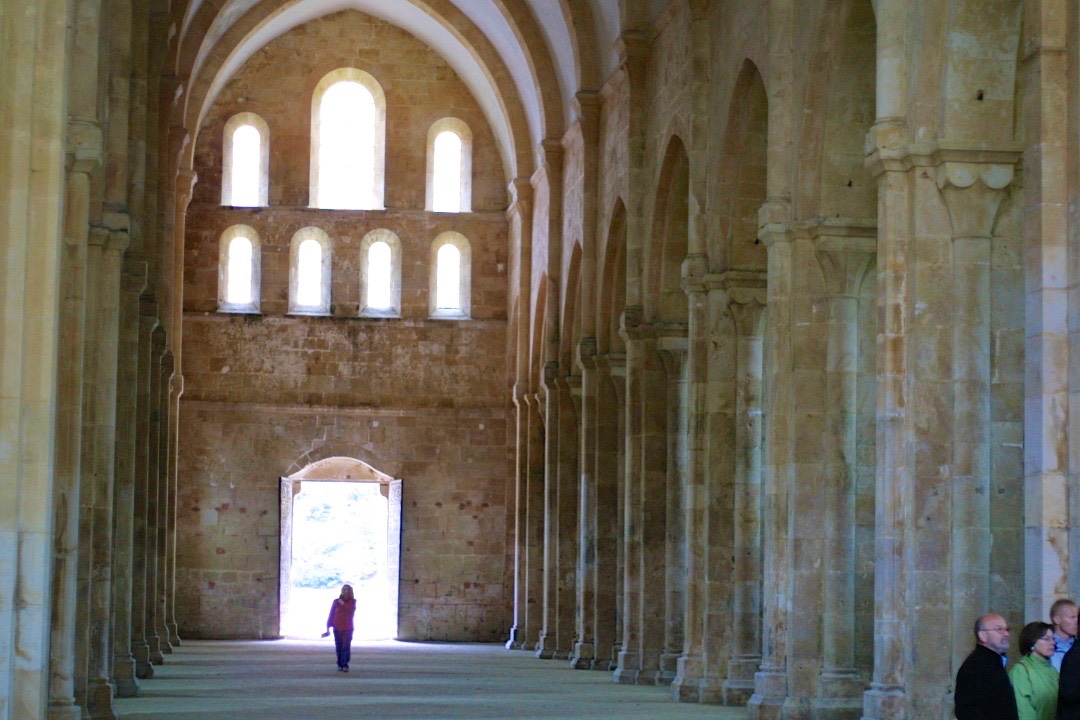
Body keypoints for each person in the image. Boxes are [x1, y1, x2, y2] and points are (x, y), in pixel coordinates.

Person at [955, 613, 1019, 720]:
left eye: (1007, 629)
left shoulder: (993, 662)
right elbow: (967, 710)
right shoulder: (975, 667)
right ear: (983, 635)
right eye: (999, 629)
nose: (1006, 634)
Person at [1009, 621, 1057, 720]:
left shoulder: (1053, 670)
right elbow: (1024, 711)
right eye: (1046, 639)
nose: (1053, 642)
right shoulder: (1021, 671)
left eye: (1053, 638)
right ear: (1032, 642)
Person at [325, 583, 356, 672]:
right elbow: (331, 613)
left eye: (347, 590)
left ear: (350, 592)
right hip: (337, 627)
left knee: (346, 646)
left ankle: (345, 664)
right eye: (344, 589)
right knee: (339, 646)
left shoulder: (352, 602)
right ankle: (339, 663)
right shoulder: (336, 601)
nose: (345, 591)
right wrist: (328, 626)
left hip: (348, 627)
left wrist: (343, 604)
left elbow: (351, 611)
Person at [1050, 600, 1078, 672]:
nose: (1077, 621)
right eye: (1072, 617)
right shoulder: (1046, 646)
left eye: (1078, 617)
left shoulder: (1077, 645)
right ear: (1057, 620)